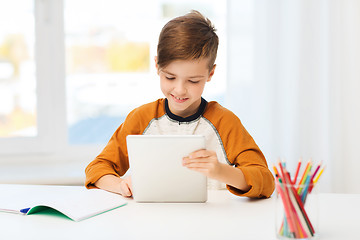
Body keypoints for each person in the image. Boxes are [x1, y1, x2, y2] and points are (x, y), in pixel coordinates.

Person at [85, 10, 274, 199]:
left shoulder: (225, 122)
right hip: (153, 221)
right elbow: (97, 169)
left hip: (213, 222)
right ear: (157, 66)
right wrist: (120, 185)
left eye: (193, 81)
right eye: (170, 77)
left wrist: (221, 172)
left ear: (210, 74)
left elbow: (266, 181)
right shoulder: (141, 118)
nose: (180, 90)